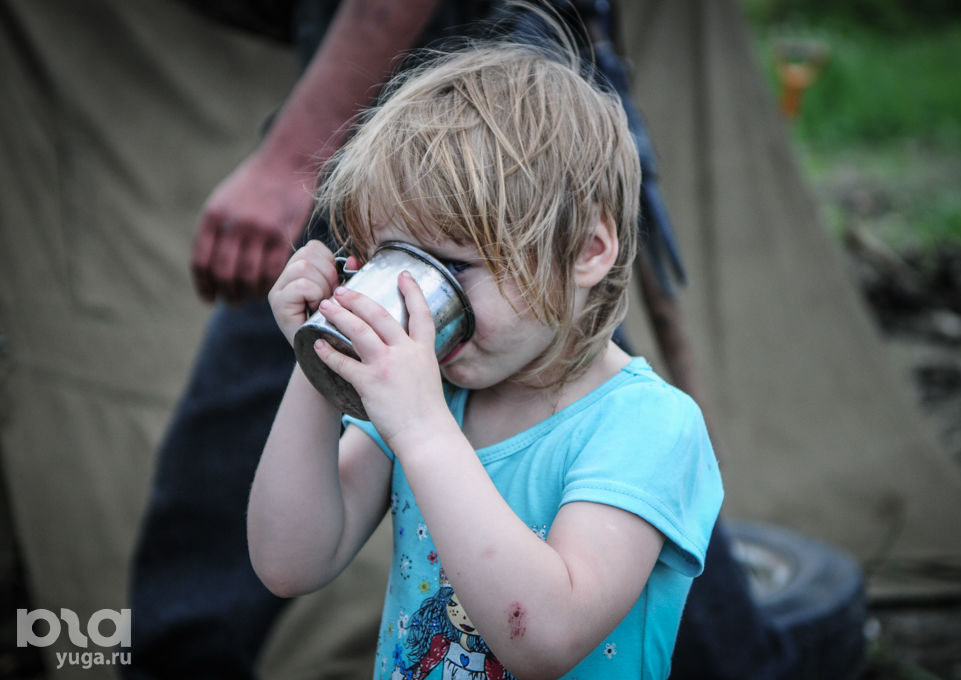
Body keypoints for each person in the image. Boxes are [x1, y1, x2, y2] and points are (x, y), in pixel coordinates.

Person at [246, 37, 724, 680]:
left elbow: (545, 638)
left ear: (587, 251)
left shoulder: (646, 427)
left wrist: (422, 428)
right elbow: (289, 562)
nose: (413, 298)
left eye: (453, 266)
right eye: (393, 260)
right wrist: (322, 355)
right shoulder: (434, 393)